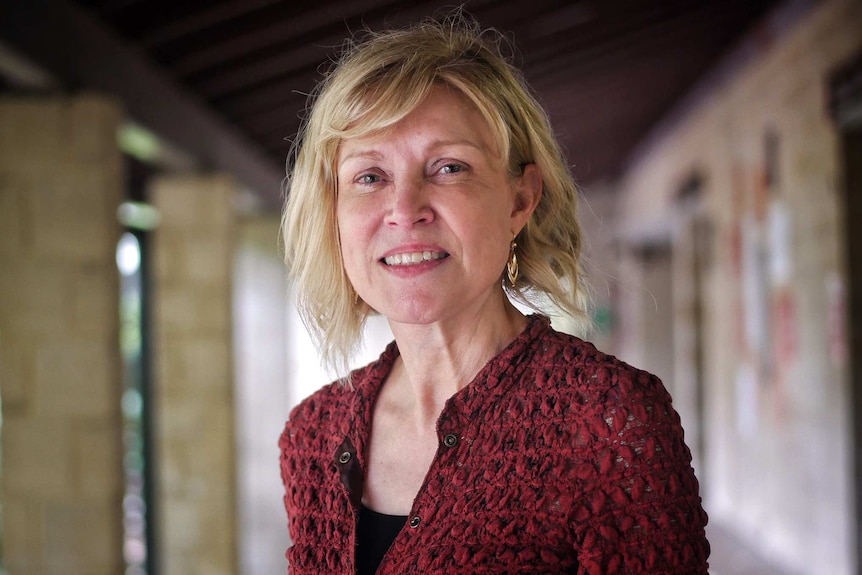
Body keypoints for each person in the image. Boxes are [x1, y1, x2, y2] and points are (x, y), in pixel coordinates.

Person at [279, 12, 709, 575]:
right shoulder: (312, 436)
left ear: (519, 200)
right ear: (333, 211)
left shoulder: (606, 422)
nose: (405, 210)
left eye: (449, 167)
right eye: (369, 176)